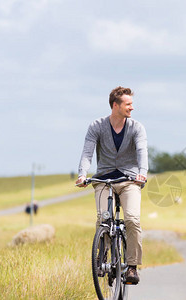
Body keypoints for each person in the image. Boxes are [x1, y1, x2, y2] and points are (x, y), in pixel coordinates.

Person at [76, 86, 148, 284]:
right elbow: (87, 153)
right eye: (128, 104)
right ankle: (103, 255)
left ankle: (132, 266)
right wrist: (83, 175)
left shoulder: (136, 127)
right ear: (115, 106)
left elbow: (142, 151)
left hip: (129, 180)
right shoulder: (97, 126)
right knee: (102, 218)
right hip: (104, 180)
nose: (132, 108)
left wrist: (143, 173)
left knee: (132, 219)